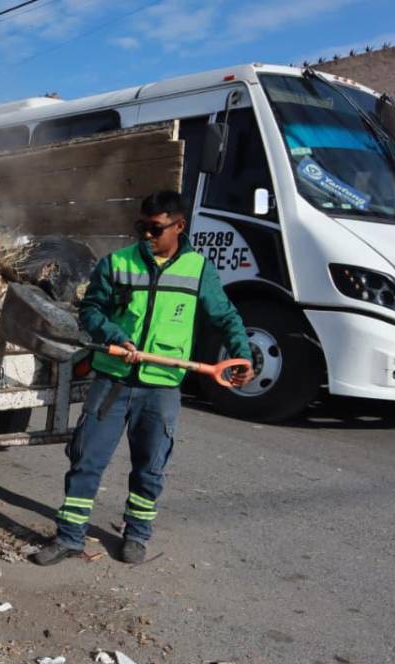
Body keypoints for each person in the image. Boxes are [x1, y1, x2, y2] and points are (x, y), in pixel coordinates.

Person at [34, 190, 255, 567]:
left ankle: (136, 535)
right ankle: (70, 536)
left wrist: (242, 354)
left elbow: (226, 316)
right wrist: (114, 335)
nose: (147, 236)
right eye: (142, 227)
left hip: (161, 385)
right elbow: (91, 310)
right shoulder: (117, 263)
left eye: (155, 229)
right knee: (86, 460)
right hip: (113, 380)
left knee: (150, 467)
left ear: (179, 226)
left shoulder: (199, 270)